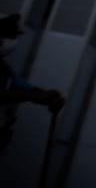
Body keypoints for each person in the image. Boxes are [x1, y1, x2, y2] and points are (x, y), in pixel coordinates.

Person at [0, 14, 65, 153]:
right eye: (11, 36)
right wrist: (30, 96)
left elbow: (23, 87)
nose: (14, 41)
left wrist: (47, 96)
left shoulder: (4, 69)